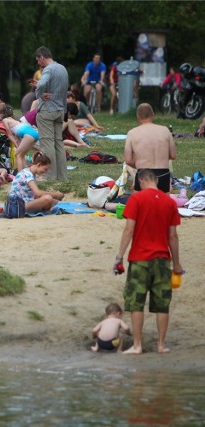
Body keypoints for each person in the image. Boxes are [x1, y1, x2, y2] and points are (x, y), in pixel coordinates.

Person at [114, 168, 182, 355]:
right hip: (162, 260)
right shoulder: (169, 202)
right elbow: (173, 237)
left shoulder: (136, 199)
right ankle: (161, 345)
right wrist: (176, 264)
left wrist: (119, 257)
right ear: (156, 181)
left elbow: (129, 230)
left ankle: (137, 345)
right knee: (162, 303)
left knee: (136, 302)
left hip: (139, 259)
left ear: (142, 181)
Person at [32, 46, 69, 181]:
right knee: (59, 144)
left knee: (47, 144)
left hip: (48, 110)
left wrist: (40, 95)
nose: (38, 63)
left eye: (38, 60)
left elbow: (42, 85)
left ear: (42, 57)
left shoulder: (48, 69)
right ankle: (62, 176)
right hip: (60, 110)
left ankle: (49, 176)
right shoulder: (62, 69)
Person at [124, 103, 176, 193]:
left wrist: (139, 163)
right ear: (153, 114)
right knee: (162, 205)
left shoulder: (132, 133)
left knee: (141, 205)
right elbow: (173, 155)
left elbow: (128, 160)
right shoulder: (165, 130)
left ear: (138, 116)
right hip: (163, 174)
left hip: (143, 175)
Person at [2, 104, 39, 173]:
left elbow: (9, 135)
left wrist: (16, 145)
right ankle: (25, 173)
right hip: (34, 133)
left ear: (2, 114)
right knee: (22, 154)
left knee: (18, 155)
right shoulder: (15, 121)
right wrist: (18, 145)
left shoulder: (5, 120)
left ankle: (20, 176)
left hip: (29, 134)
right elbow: (18, 138)